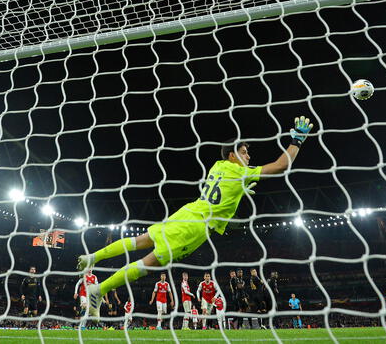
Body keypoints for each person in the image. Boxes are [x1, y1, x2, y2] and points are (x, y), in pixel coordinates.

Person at [76, 117, 315, 319]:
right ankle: (99, 290)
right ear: (232, 155)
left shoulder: (217, 165)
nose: (249, 156)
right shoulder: (241, 171)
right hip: (195, 227)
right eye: (244, 152)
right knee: (149, 263)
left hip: (187, 212)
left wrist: (240, 188)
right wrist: (298, 140)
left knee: (140, 240)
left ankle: (92, 257)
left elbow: (225, 188)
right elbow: (280, 165)